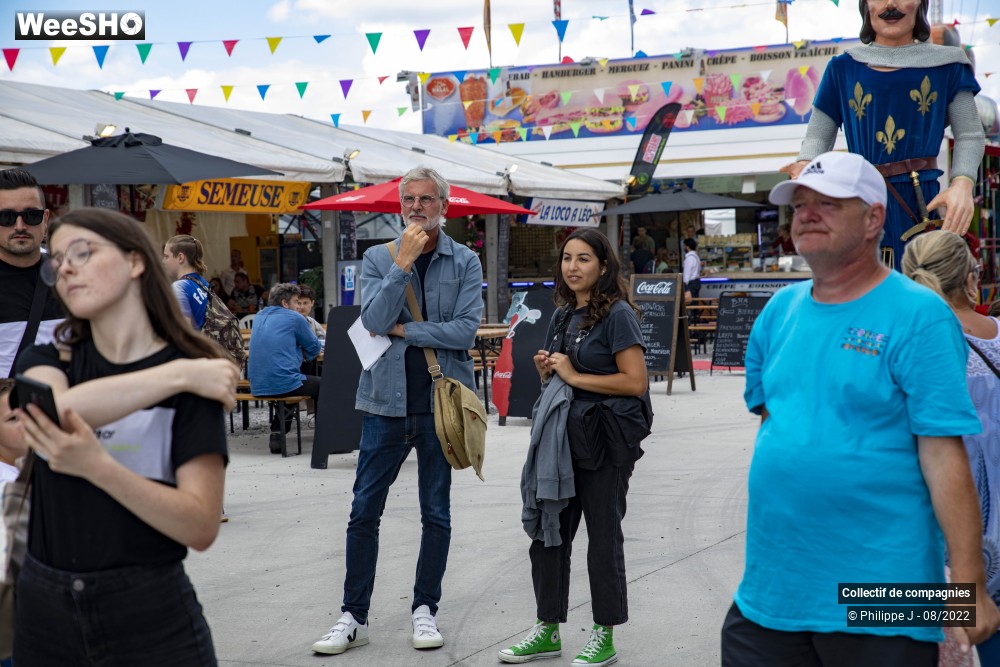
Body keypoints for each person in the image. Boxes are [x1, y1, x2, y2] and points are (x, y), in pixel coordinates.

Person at [722, 151, 1000, 666]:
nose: (806, 213)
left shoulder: (921, 317)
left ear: (874, 218)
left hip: (880, 596)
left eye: (828, 203)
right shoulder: (777, 312)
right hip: (771, 592)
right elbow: (778, 428)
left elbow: (945, 458)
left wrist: (968, 591)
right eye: (800, 203)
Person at [11, 207, 238, 666]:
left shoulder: (194, 380)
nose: (65, 267)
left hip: (151, 613)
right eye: (56, 260)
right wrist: (173, 375)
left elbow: (199, 526)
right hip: (43, 612)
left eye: (83, 252)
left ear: (136, 261)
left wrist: (98, 468)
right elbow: (53, 411)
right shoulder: (49, 356)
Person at [310, 167, 483, 656]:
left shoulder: (466, 260)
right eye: (409, 199)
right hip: (384, 403)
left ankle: (424, 609)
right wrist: (402, 264)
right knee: (365, 508)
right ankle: (353, 615)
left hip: (440, 404)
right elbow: (373, 320)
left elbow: (465, 332)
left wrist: (408, 333)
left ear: (443, 208)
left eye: (427, 200)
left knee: (436, 511)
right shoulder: (378, 256)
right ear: (398, 205)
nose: (416, 207)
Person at [499, 227, 649, 667]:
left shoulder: (618, 315)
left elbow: (635, 382)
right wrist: (547, 369)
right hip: (561, 441)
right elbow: (560, 374)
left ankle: (604, 633)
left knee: (603, 539)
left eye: (584, 259)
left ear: (604, 266)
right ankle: (547, 628)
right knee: (549, 534)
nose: (573, 267)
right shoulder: (563, 313)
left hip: (604, 443)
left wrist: (574, 375)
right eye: (567, 258)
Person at [780, 0, 985, 269]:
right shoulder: (843, 67)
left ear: (921, 3)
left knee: (922, 284)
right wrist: (806, 163)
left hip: (920, 198)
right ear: (865, 5)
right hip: (861, 198)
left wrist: (962, 183)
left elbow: (970, 134)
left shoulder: (949, 65)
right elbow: (819, 135)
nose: (890, 4)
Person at [902, 231, 1000, 665]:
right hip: (993, 531)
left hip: (929, 533)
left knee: (919, 635)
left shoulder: (903, 347)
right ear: (970, 277)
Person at [0, 168, 63, 381]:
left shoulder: (72, 277)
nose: (20, 226)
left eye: (31, 215)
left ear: (45, 219)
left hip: (61, 407)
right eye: (6, 217)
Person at [247, 283, 322, 453]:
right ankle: (326, 436)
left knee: (291, 379)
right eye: (296, 301)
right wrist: (303, 354)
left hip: (257, 384)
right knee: (323, 384)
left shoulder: (259, 316)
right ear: (284, 303)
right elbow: (314, 348)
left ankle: (277, 432)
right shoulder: (295, 318)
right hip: (283, 382)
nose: (298, 306)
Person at [162, 234, 210, 330]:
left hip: (193, 344)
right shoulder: (204, 284)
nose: (163, 261)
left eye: (166, 256)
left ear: (180, 258)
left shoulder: (179, 287)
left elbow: (183, 332)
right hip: (206, 343)